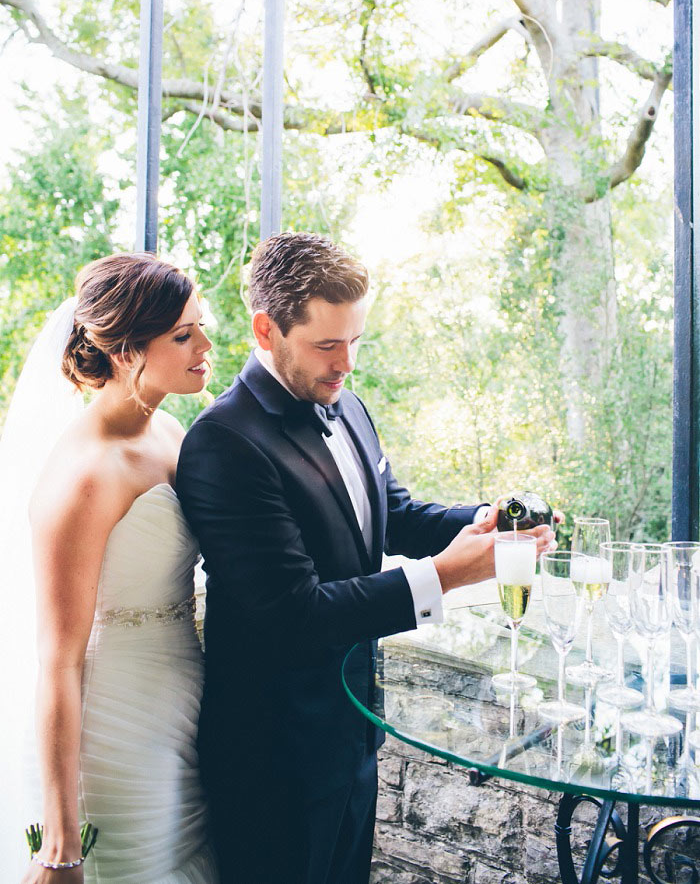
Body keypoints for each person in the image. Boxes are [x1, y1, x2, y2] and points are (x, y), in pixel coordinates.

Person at [176, 231, 556, 884]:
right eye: (328, 344)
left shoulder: (346, 403)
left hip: (353, 740)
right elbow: (293, 614)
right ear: (267, 331)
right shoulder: (223, 444)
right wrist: (449, 575)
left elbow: (396, 516)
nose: (346, 362)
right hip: (272, 757)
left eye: (356, 341)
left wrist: (484, 524)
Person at [0, 253, 219, 884]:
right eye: (183, 335)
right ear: (125, 351)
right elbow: (59, 662)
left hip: (181, 705)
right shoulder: (83, 477)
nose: (205, 344)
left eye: (199, 325)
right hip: (114, 727)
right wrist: (60, 841)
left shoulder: (169, 430)